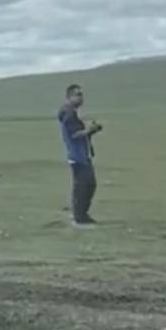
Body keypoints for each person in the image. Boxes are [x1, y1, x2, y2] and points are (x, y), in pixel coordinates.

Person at [57, 84, 103, 227]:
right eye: (78, 94)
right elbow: (74, 134)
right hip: (78, 156)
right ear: (69, 96)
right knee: (83, 186)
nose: (81, 98)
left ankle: (81, 215)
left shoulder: (70, 112)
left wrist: (90, 131)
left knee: (88, 185)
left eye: (81, 94)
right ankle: (79, 217)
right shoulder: (69, 113)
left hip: (81, 154)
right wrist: (90, 130)